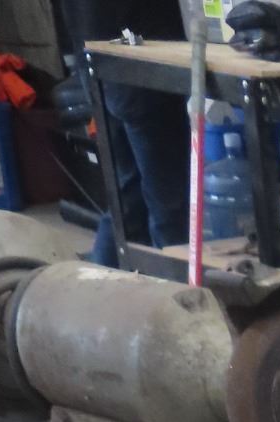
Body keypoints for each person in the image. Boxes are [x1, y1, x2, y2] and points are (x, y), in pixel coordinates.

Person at [63, 0, 190, 264]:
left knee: (127, 200)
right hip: (142, 69)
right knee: (168, 204)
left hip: (100, 65)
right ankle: (171, 284)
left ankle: (104, 280)